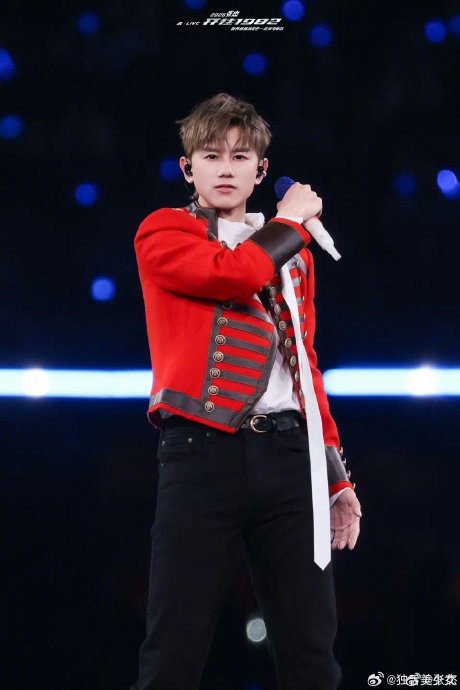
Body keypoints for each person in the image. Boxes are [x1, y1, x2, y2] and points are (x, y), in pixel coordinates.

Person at [131, 92, 362, 690]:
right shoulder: (164, 230)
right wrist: (292, 222)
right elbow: (232, 274)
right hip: (202, 453)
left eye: (240, 156)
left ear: (261, 170)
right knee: (173, 654)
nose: (226, 168)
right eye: (212, 156)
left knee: (312, 656)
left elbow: (304, 365)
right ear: (188, 168)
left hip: (290, 457)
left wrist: (334, 475)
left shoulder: (292, 252)